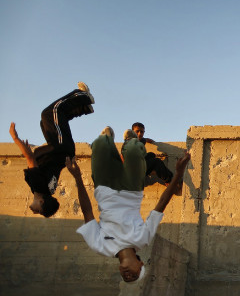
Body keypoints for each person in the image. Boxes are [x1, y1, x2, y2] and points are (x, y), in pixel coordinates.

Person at [67, 127, 191, 283]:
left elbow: (87, 213)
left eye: (125, 277)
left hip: (105, 186)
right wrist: (178, 174)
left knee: (100, 145)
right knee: (133, 148)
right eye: (134, 275)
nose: (128, 275)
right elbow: (161, 204)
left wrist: (78, 177)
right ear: (140, 264)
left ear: (119, 270)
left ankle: (107, 140)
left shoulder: (100, 247)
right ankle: (130, 141)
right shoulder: (142, 238)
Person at [9, 82, 94, 217]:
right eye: (38, 210)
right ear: (42, 201)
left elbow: (43, 163)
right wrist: (15, 138)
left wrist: (34, 152)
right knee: (50, 113)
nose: (35, 212)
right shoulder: (37, 186)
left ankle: (84, 108)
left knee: (47, 122)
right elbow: (30, 159)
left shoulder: (50, 190)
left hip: (64, 151)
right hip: (59, 147)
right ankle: (83, 95)